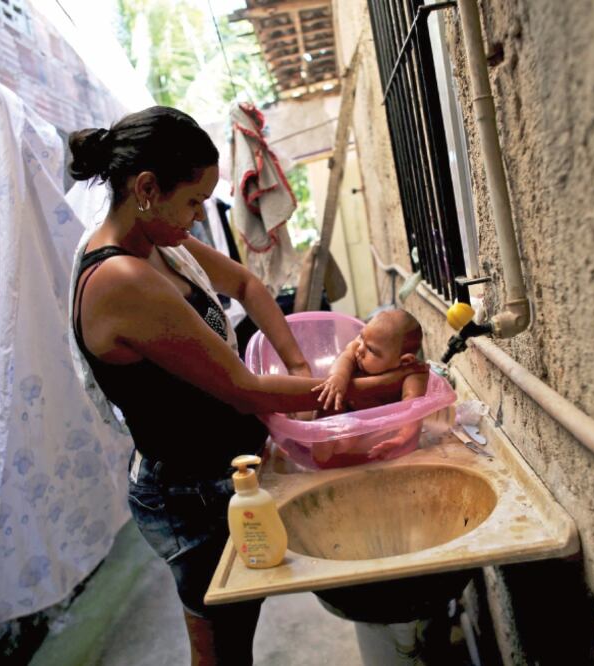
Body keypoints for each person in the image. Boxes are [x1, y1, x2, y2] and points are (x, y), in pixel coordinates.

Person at [66, 106, 427, 666]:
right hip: (186, 492)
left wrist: (301, 367)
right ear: (145, 188)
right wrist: (356, 389)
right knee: (221, 649)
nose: (195, 219)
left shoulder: (157, 246)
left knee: (234, 636)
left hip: (223, 474)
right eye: (191, 202)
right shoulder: (120, 279)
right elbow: (241, 389)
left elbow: (246, 283)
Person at [310, 309, 429, 464]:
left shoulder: (413, 373)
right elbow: (344, 359)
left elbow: (414, 409)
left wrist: (402, 437)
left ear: (405, 361)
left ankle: (333, 454)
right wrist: (338, 377)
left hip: (375, 428)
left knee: (352, 441)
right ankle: (319, 452)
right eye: (361, 336)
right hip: (347, 410)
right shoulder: (357, 349)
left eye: (371, 349)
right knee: (329, 401)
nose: (360, 349)